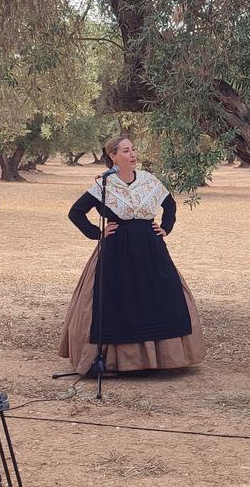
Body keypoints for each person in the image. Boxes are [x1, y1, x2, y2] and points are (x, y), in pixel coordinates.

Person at [58, 135, 205, 373]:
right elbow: (76, 212)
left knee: (162, 294)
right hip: (117, 249)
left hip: (150, 247)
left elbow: (170, 205)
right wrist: (97, 233)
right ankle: (116, 359)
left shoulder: (149, 180)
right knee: (116, 299)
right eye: (126, 151)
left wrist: (166, 227)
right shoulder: (104, 184)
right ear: (112, 156)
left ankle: (161, 359)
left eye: (133, 149)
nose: (133, 154)